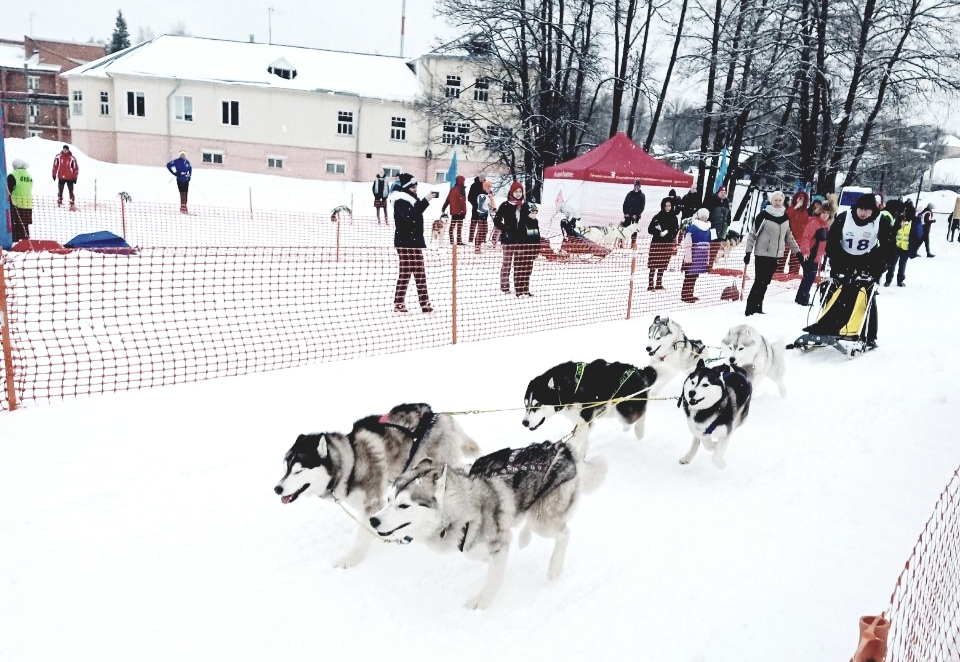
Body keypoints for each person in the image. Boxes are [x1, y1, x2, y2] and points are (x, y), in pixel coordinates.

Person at [823, 192, 894, 348]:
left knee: (866, 296)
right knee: (835, 292)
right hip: (843, 258)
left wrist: (880, 267)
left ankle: (868, 335)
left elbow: (888, 246)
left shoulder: (880, 221)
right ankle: (828, 327)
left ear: (873, 210)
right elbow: (832, 241)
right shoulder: (843, 218)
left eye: (867, 210)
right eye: (861, 209)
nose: (863, 213)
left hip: (867, 260)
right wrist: (835, 262)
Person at [742, 190, 802, 316]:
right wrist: (748, 252)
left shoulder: (785, 217)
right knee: (759, 281)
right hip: (762, 254)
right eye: (775, 200)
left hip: (775, 256)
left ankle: (758, 306)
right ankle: (750, 307)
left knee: (766, 282)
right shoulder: (763, 215)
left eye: (780, 200)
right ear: (771, 201)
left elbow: (789, 237)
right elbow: (752, 234)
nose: (777, 202)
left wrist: (798, 253)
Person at [391, 173, 437, 313]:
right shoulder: (400, 201)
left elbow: (415, 214)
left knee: (419, 272)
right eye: (412, 187)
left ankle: (424, 302)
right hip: (405, 242)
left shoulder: (411, 200)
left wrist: (423, 201)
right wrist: (425, 201)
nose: (415, 189)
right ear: (406, 188)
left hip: (414, 241)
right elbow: (410, 217)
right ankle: (399, 303)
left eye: (416, 187)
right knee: (405, 272)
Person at [493, 181, 539, 296]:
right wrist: (504, 228)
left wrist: (532, 217)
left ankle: (519, 287)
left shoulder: (525, 205)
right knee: (507, 264)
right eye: (516, 191)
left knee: (519, 265)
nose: (518, 194)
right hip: (508, 240)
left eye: (520, 191)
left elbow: (532, 219)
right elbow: (497, 219)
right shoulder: (505, 205)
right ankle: (504, 286)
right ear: (511, 192)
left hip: (521, 240)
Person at [795, 200, 833, 305]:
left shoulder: (825, 225)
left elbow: (824, 241)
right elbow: (806, 237)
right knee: (810, 276)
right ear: (819, 212)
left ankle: (800, 297)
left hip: (817, 255)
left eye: (827, 213)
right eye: (823, 213)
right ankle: (803, 298)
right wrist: (805, 251)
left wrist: (825, 252)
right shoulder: (814, 222)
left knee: (808, 276)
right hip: (809, 253)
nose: (825, 215)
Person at [647, 198, 680, 291]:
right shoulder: (658, 216)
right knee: (653, 264)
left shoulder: (674, 217)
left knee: (662, 264)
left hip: (667, 244)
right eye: (666, 206)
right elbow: (650, 229)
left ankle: (659, 283)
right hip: (657, 243)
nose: (667, 208)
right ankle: (650, 284)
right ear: (663, 206)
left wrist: (668, 233)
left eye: (669, 206)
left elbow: (675, 230)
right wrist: (658, 232)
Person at [680, 208, 712, 303]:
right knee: (689, 275)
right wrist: (688, 258)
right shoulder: (692, 228)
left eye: (705, 217)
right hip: (693, 255)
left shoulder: (708, 229)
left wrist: (707, 259)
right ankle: (685, 295)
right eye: (702, 217)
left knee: (694, 276)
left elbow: (709, 245)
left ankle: (690, 293)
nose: (704, 219)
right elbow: (688, 244)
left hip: (701, 256)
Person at [883, 200, 911, 287]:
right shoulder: (899, 218)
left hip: (905, 247)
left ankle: (900, 280)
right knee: (892, 265)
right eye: (904, 210)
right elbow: (894, 230)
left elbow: (914, 234)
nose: (905, 212)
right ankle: (888, 280)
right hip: (896, 246)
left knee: (902, 265)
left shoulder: (912, 220)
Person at [704, 185, 731, 269]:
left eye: (724, 193)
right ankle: (705, 264)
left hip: (722, 229)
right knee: (710, 247)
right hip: (713, 228)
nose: (723, 194)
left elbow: (728, 216)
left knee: (715, 248)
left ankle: (710, 265)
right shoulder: (713, 201)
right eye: (721, 192)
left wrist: (727, 224)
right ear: (718, 193)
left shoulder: (727, 203)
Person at [6, 158, 33, 242]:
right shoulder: (29, 176)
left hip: (16, 204)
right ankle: (25, 241)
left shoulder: (13, 175)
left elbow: (8, 189)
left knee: (15, 224)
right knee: (25, 225)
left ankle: (16, 242)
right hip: (28, 204)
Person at [783, 190, 810, 275]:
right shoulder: (790, 209)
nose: (800, 200)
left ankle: (793, 274)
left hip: (799, 238)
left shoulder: (805, 212)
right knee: (783, 255)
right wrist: (795, 207)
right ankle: (778, 272)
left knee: (795, 258)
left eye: (802, 199)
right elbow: (786, 216)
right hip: (787, 236)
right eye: (799, 198)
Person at [441, 175, 467, 245]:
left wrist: (443, 207)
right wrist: (464, 212)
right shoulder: (461, 190)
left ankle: (451, 240)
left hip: (453, 212)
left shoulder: (452, 189)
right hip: (460, 212)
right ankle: (459, 240)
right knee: (459, 227)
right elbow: (462, 202)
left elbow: (448, 199)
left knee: (452, 227)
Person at [52, 144, 79, 211]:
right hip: (61, 177)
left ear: (68, 150)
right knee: (60, 190)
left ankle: (72, 203)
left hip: (70, 177)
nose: (65, 150)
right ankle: (59, 201)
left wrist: (75, 177)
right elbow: (55, 166)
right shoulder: (58, 157)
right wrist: (54, 174)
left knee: (71, 191)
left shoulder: (72, 158)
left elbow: (76, 168)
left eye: (66, 149)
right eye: (64, 149)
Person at [621, 179, 646, 249]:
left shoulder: (642, 196)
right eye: (635, 185)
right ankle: (622, 244)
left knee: (634, 231)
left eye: (638, 186)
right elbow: (625, 204)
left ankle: (633, 244)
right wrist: (625, 213)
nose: (636, 187)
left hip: (635, 217)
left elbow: (642, 207)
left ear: (640, 186)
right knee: (625, 229)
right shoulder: (629, 194)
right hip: (628, 216)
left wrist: (636, 214)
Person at [474, 179, 494, 254]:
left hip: (485, 216)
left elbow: (487, 205)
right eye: (488, 188)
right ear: (485, 188)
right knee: (481, 231)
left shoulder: (486, 196)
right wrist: (486, 210)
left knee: (485, 230)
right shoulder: (482, 196)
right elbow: (480, 207)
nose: (490, 189)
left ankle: (479, 244)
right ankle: (477, 246)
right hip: (481, 215)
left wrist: (491, 208)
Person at [467, 175, 485, 242]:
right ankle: (471, 239)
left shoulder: (486, 185)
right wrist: (475, 204)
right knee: (473, 224)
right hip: (475, 208)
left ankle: (482, 239)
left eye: (483, 178)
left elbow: (489, 196)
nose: (482, 179)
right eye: (481, 178)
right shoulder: (473, 185)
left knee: (483, 224)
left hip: (484, 209)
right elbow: (469, 197)